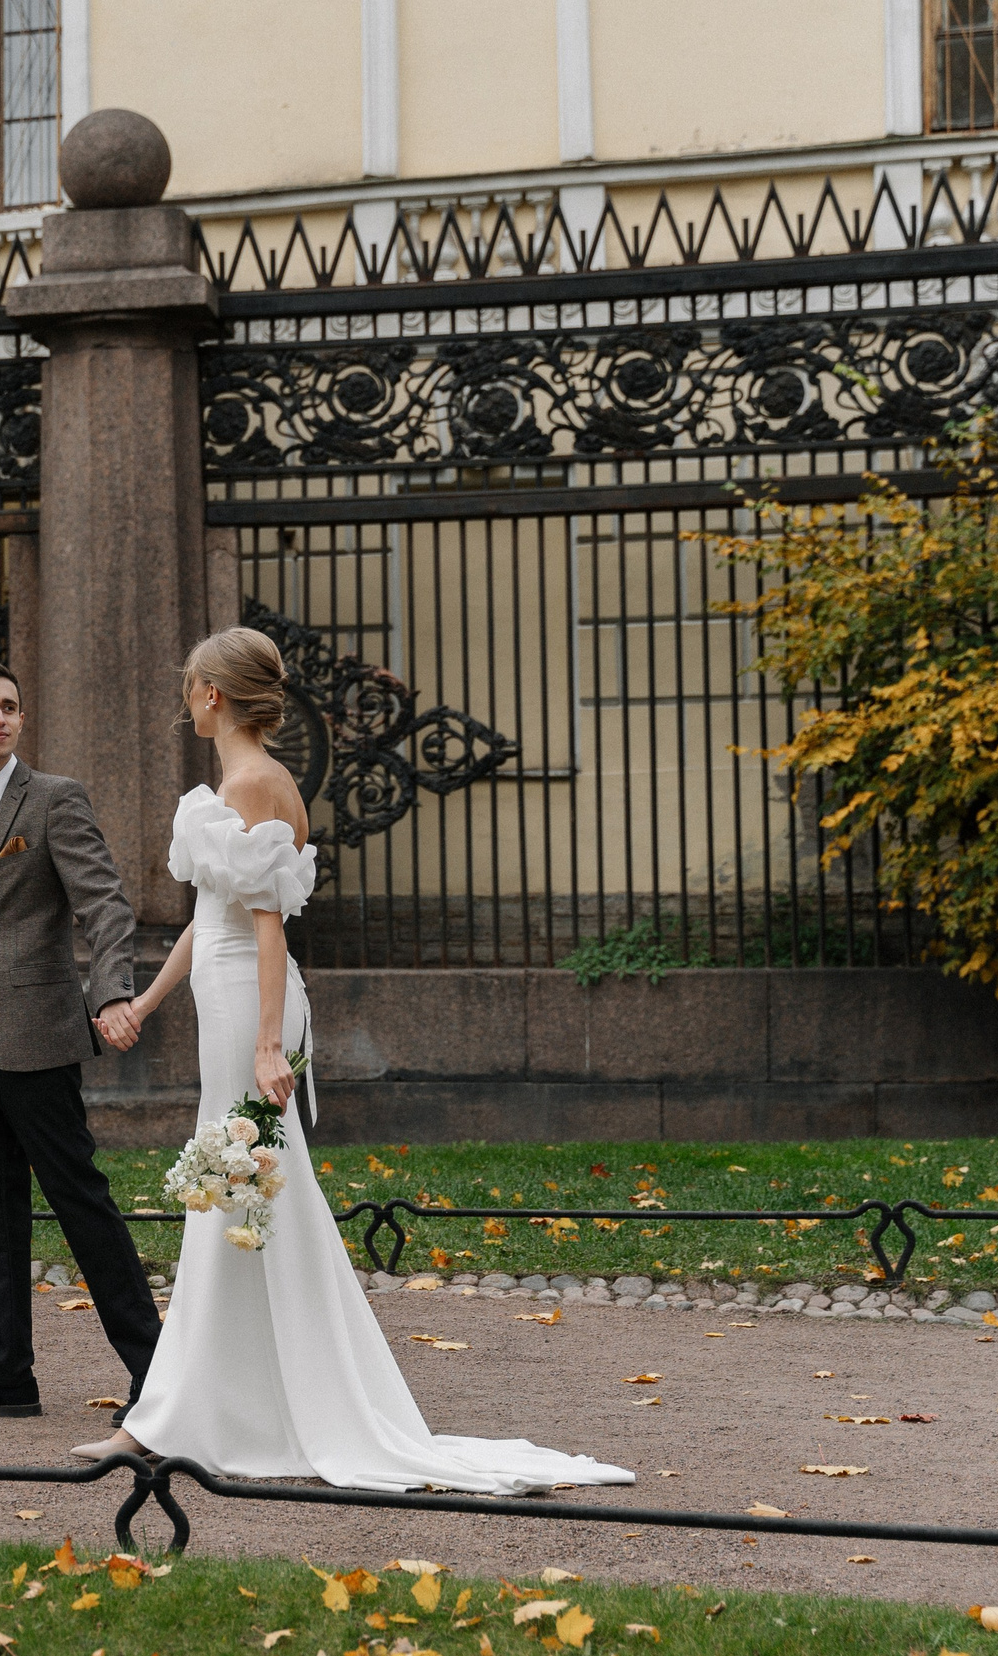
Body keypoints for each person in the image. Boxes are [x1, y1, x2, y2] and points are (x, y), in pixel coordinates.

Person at [71, 627, 633, 1496]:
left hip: (250, 1008)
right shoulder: (240, 781)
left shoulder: (256, 782)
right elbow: (209, 915)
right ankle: (194, 1409)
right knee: (236, 1197)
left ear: (213, 695)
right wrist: (144, 1002)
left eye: (192, 685)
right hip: (228, 996)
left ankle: (176, 1418)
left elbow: (266, 926)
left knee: (240, 1191)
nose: (187, 696)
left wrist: (265, 1044)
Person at [0, 659, 158, 1421]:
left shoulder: (54, 801)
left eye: (10, 707)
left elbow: (109, 908)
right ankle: (7, 1373)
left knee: (80, 1203)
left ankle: (155, 1372)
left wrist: (113, 989)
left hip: (41, 1037)